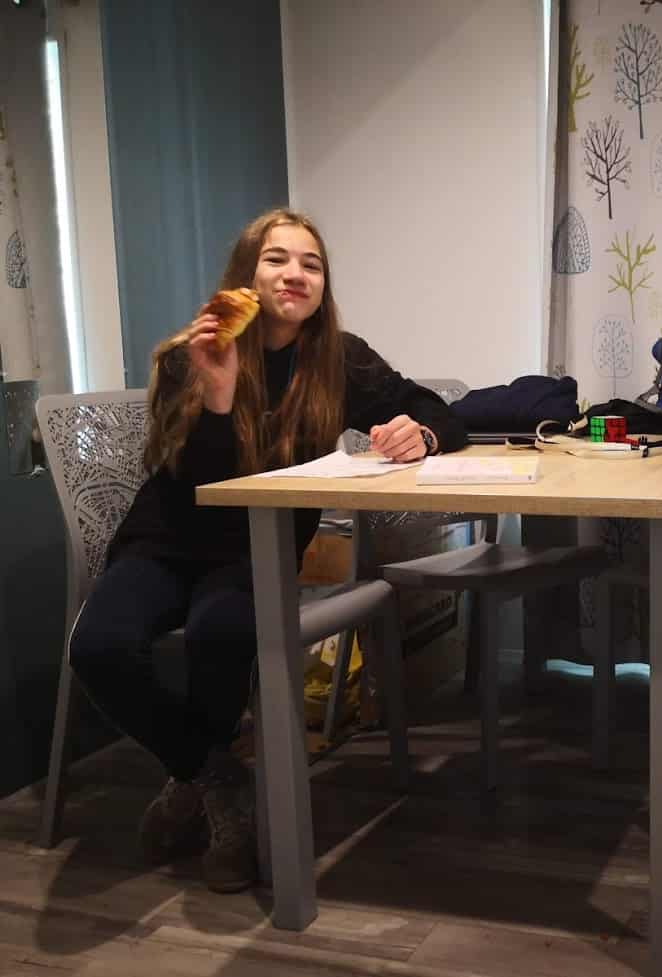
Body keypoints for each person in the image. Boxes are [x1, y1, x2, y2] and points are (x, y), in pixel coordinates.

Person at [68, 208, 467, 893]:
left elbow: (437, 409)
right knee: (98, 647)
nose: (295, 274)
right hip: (165, 542)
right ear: (245, 275)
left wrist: (421, 434)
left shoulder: (340, 359)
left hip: (257, 548)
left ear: (323, 286)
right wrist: (219, 399)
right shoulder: (192, 352)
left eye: (312, 264)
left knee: (221, 630)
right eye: (276, 259)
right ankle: (216, 777)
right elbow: (195, 483)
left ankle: (196, 784)